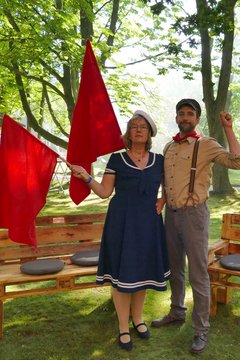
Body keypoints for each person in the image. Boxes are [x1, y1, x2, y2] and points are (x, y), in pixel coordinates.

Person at [70, 110, 170, 351]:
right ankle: (123, 327)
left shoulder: (159, 160)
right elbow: (105, 192)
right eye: (134, 126)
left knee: (142, 273)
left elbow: (169, 185)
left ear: (149, 134)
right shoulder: (117, 160)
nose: (138, 129)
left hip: (148, 223)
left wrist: (163, 199)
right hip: (122, 223)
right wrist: (85, 177)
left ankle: (139, 319)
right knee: (123, 275)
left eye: (142, 127)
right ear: (128, 132)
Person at [151, 99, 240, 354]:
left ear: (197, 119)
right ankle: (177, 312)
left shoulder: (207, 144)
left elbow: (237, 161)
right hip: (172, 214)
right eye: (182, 113)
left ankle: (201, 330)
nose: (185, 117)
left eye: (190, 113)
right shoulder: (169, 146)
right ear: (177, 117)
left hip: (195, 216)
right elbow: (168, 179)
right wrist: (164, 197)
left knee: (198, 274)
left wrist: (229, 129)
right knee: (176, 268)